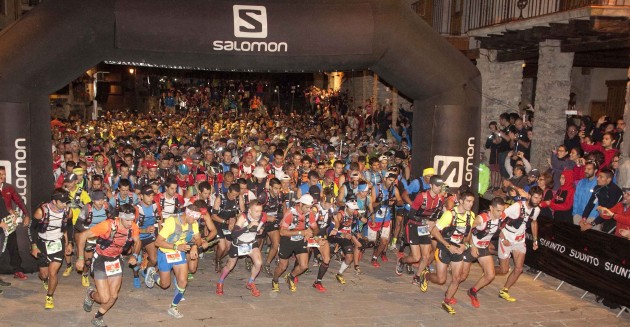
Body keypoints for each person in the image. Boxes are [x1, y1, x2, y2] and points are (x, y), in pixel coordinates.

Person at [76, 203, 141, 327]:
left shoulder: (133, 227)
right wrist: (80, 258)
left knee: (114, 296)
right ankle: (91, 294)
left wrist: (135, 255)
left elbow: (138, 242)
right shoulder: (107, 225)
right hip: (100, 260)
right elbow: (82, 235)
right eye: (127, 220)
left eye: (132, 219)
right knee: (104, 298)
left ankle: (98, 317)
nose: (130, 223)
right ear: (120, 217)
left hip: (115, 260)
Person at [419, 191, 476, 315]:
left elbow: (467, 234)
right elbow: (434, 231)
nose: (471, 204)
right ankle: (426, 275)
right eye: (468, 201)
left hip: (458, 249)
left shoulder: (471, 215)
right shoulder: (449, 215)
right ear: (461, 201)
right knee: (441, 280)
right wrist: (448, 245)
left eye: (472, 202)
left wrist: (465, 244)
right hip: (444, 247)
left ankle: (446, 301)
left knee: (457, 278)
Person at [144, 203, 204, 319]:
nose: (196, 220)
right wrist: (177, 247)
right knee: (165, 285)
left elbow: (198, 239)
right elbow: (157, 242)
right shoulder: (172, 222)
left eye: (197, 218)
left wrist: (195, 247)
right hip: (165, 254)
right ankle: (153, 275)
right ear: (187, 214)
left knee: (183, 282)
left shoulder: (194, 223)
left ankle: (173, 307)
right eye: (194, 217)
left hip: (179, 254)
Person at [496, 187, 542, 302]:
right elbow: (498, 219)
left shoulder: (536, 210)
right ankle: (488, 272)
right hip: (507, 237)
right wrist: (502, 237)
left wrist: (535, 240)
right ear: (530, 196)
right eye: (536, 198)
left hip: (519, 240)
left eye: (540, 199)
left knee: (519, 268)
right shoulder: (517, 206)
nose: (537, 201)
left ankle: (504, 290)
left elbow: (534, 222)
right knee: (504, 270)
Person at [28, 188, 73, 309]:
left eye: (66, 202)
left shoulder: (68, 211)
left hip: (58, 243)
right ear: (54, 201)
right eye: (63, 202)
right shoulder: (41, 211)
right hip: (42, 243)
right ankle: (44, 279)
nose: (65, 204)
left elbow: (69, 226)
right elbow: (31, 228)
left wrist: (70, 243)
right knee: (44, 274)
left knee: (53, 273)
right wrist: (34, 245)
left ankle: (49, 297)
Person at [397, 175, 445, 286]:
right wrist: (426, 222)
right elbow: (411, 215)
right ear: (431, 185)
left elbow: (436, 215)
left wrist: (434, 222)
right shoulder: (421, 197)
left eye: (440, 186)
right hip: (413, 226)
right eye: (437, 186)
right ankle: (402, 261)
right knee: (416, 257)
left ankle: (417, 276)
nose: (439, 188)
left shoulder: (440, 199)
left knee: (426, 256)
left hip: (425, 228)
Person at [216, 200, 266, 297]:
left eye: (260, 211)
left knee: (259, 263)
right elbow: (234, 234)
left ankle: (251, 282)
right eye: (256, 211)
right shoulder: (243, 217)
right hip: (239, 244)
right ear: (250, 211)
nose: (259, 214)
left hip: (251, 243)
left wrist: (260, 230)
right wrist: (248, 227)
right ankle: (220, 281)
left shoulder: (263, 216)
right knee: (230, 266)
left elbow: (262, 228)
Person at [272, 194, 318, 292]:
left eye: (310, 207)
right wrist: (301, 232)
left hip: (301, 239)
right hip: (287, 240)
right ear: (300, 204)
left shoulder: (309, 213)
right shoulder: (290, 213)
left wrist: (311, 233)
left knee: (304, 266)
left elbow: (316, 228)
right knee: (283, 266)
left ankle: (291, 276)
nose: (309, 210)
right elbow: (282, 232)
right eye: (307, 207)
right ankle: (275, 279)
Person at [465, 197, 505, 308]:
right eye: (498, 211)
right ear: (491, 208)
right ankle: (449, 295)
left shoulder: (502, 216)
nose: (500, 213)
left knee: (490, 275)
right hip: (471, 245)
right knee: (462, 276)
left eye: (502, 210)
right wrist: (472, 246)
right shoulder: (481, 218)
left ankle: (473, 291)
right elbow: (467, 229)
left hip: (483, 248)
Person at [74, 190, 112, 288]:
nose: (100, 202)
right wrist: (89, 231)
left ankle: (105, 276)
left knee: (106, 258)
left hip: (103, 234)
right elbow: (78, 224)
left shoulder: (107, 206)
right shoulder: (87, 208)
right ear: (93, 200)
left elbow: (115, 219)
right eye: (97, 200)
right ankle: (85, 273)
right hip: (90, 234)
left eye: (102, 200)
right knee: (88, 260)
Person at [0, 165, 30, 281]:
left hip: (8, 222)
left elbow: (19, 201)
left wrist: (26, 215)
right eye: (0, 174)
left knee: (13, 246)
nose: (3, 176)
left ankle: (17, 270)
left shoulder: (9, 188)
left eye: (4, 174)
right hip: (1, 222)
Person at [578, 168, 622, 233]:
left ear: (608, 179)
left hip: (615, 219)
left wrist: (592, 224)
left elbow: (608, 211)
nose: (597, 179)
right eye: (598, 176)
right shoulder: (597, 188)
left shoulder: (615, 191)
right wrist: (584, 218)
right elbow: (590, 204)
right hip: (603, 216)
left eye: (601, 177)